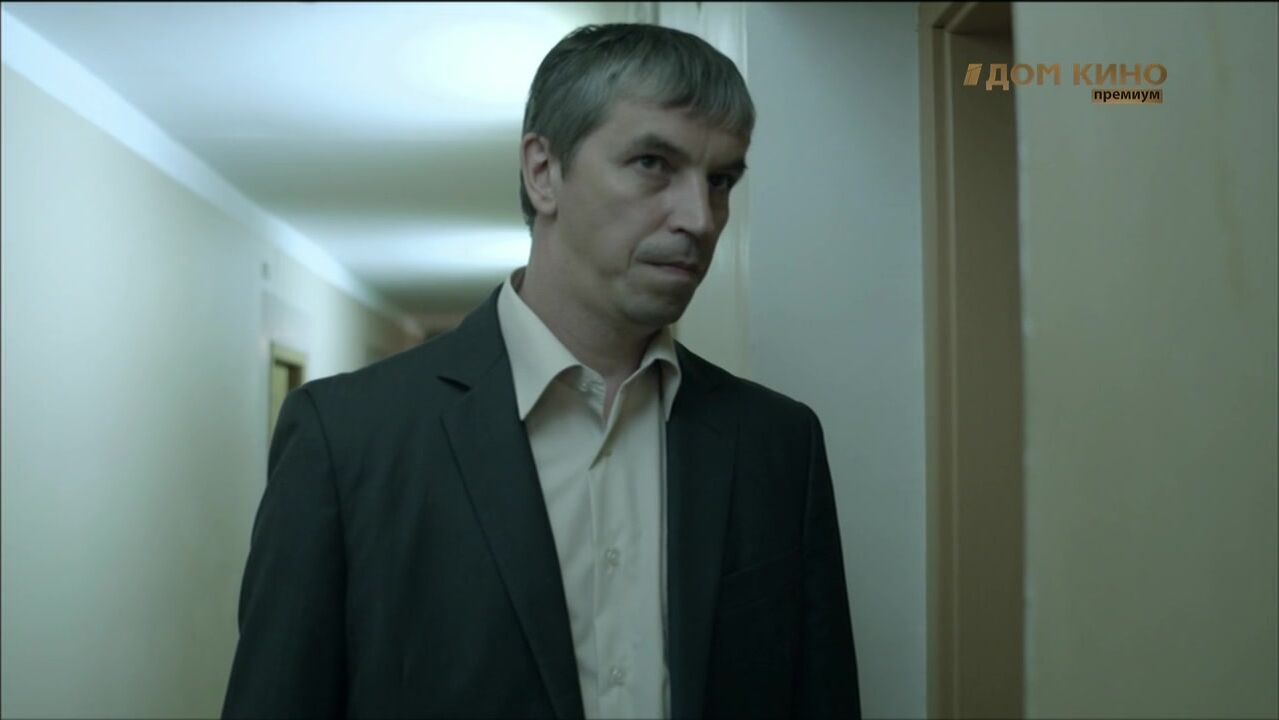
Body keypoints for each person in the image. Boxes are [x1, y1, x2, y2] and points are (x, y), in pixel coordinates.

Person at [223, 22, 860, 719]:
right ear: (543, 171)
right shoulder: (347, 439)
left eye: (720, 180)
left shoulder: (777, 444)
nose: (700, 218)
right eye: (653, 163)